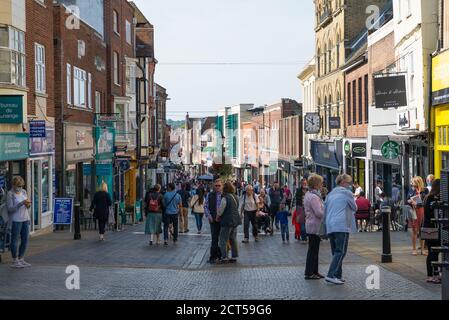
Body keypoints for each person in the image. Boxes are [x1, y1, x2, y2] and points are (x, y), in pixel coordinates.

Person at [324, 174, 358, 285]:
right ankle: (330, 275)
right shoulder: (347, 193)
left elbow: (325, 209)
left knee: (336, 252)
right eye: (349, 183)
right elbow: (354, 207)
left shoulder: (330, 194)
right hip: (341, 225)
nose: (350, 186)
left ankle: (337, 275)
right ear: (343, 182)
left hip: (330, 225)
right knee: (341, 251)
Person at [7, 176, 32, 268]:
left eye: (21, 186)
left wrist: (28, 204)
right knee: (15, 240)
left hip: (25, 218)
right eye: (18, 186)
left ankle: (21, 258)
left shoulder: (24, 192)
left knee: (25, 239)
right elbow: (10, 209)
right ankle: (15, 260)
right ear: (13, 185)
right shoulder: (10, 194)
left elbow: (27, 206)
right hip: (16, 220)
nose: (19, 188)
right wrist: (21, 203)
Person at [303, 174, 325, 280]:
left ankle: (314, 271)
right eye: (320, 183)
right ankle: (309, 272)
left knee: (314, 250)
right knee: (313, 250)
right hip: (314, 226)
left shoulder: (309, 194)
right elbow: (319, 213)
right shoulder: (314, 197)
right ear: (316, 185)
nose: (322, 185)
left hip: (312, 225)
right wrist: (326, 212)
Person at [216, 182, 242, 264]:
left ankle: (224, 257)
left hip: (227, 221)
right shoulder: (235, 197)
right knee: (233, 239)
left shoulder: (225, 198)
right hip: (235, 220)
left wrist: (218, 216)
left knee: (223, 239)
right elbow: (236, 207)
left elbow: (221, 209)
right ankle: (234, 256)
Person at [423, 179, 441, 284]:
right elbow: (432, 214)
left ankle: (432, 274)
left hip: (427, 228)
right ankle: (433, 275)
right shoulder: (431, 198)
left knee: (432, 252)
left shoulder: (427, 197)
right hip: (432, 228)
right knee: (433, 252)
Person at [204, 179, 224, 263]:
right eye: (216, 186)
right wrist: (208, 216)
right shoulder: (210, 195)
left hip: (222, 220)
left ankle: (221, 256)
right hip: (213, 220)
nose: (217, 187)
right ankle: (213, 256)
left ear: (222, 186)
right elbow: (205, 206)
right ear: (213, 186)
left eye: (219, 185)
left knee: (222, 239)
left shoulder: (225, 195)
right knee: (214, 238)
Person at [407, 176, 427, 256]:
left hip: (422, 211)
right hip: (414, 211)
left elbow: (425, 201)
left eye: (413, 183)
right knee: (415, 230)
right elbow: (407, 200)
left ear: (418, 182)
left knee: (422, 230)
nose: (412, 184)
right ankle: (414, 248)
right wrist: (410, 201)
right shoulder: (411, 190)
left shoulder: (424, 190)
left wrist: (417, 202)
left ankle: (422, 249)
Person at [293, 178, 308, 243]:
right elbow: (297, 200)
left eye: (305, 183)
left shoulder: (309, 190)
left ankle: (305, 237)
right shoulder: (298, 190)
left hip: (308, 209)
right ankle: (304, 238)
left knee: (307, 224)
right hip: (300, 209)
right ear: (301, 184)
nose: (304, 184)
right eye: (303, 183)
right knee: (302, 224)